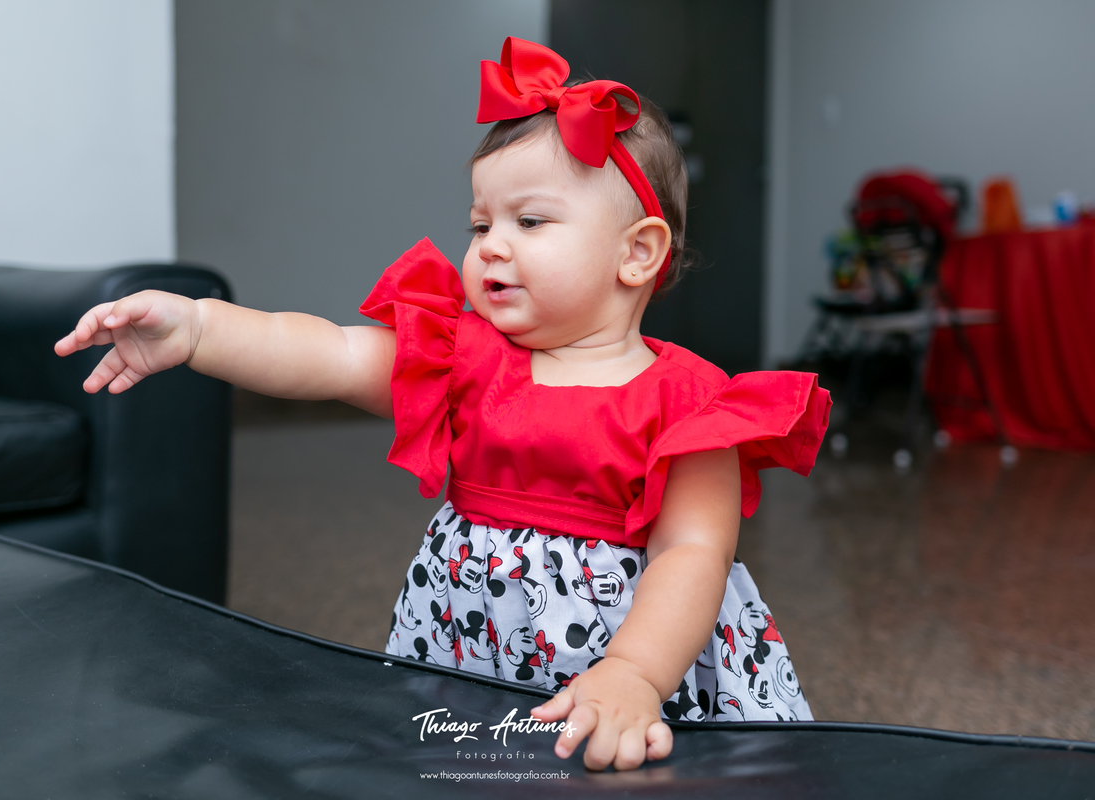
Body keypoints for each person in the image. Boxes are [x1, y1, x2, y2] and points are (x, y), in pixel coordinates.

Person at [55, 38, 830, 772]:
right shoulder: (465, 357)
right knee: (473, 771)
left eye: (529, 222)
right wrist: (198, 328)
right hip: (470, 650)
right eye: (480, 223)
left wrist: (632, 673)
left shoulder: (692, 403)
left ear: (638, 252)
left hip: (632, 667)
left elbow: (692, 554)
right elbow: (330, 352)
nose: (491, 244)